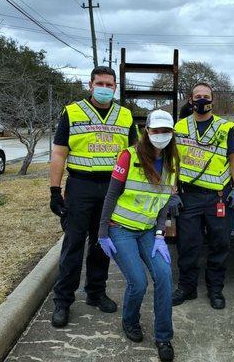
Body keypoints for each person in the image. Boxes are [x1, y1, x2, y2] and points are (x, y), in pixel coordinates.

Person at [49, 66, 137, 328]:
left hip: (112, 188)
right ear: (90, 85)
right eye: (100, 83)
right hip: (80, 186)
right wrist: (54, 190)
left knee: (102, 242)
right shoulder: (72, 112)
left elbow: (134, 154)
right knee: (73, 244)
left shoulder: (125, 115)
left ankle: (96, 292)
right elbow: (59, 154)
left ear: (115, 87)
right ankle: (63, 301)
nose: (105, 88)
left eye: (110, 85)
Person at [99, 109, 177, 362]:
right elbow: (111, 195)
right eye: (156, 130)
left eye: (166, 131)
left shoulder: (172, 162)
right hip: (120, 229)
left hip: (147, 232)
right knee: (138, 282)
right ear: (147, 131)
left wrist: (159, 233)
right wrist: (102, 233)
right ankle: (129, 321)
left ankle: (163, 337)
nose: (161, 135)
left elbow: (164, 201)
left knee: (164, 277)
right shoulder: (128, 156)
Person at [172, 82, 234, 309]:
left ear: (213, 100)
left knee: (219, 245)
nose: (202, 100)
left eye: (206, 96)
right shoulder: (179, 127)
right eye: (198, 96)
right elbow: (172, 161)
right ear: (190, 100)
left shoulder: (226, 128)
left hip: (218, 197)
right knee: (188, 245)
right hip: (189, 196)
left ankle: (215, 290)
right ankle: (187, 287)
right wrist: (172, 192)